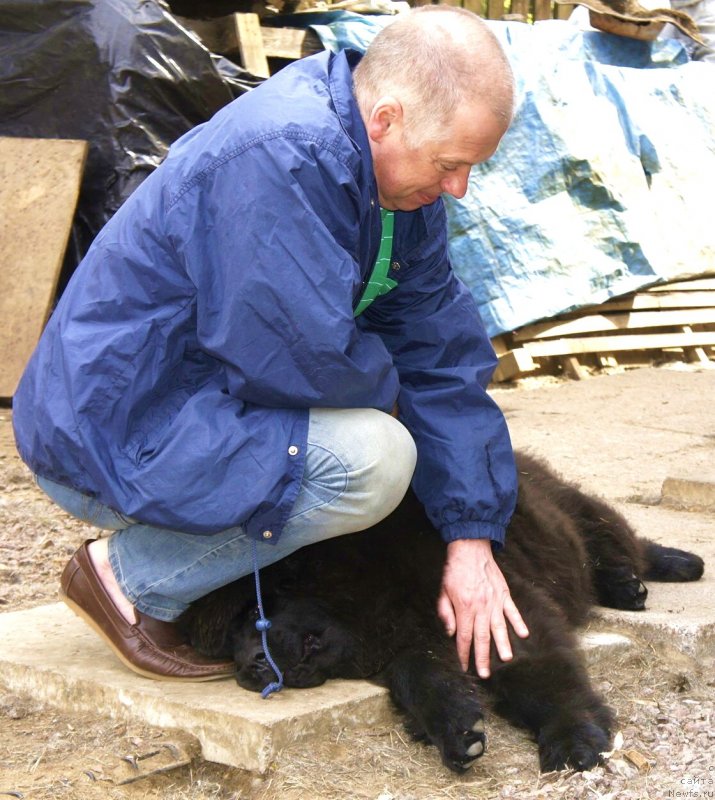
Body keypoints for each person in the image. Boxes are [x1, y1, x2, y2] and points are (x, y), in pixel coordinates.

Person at [13, 6, 529, 685]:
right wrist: (413, 422)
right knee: (374, 461)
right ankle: (128, 580)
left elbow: (440, 353)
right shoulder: (279, 157)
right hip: (113, 428)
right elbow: (297, 359)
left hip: (193, 407)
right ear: (385, 120)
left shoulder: (399, 193)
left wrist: (470, 536)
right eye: (450, 164)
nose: (457, 188)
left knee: (400, 445)